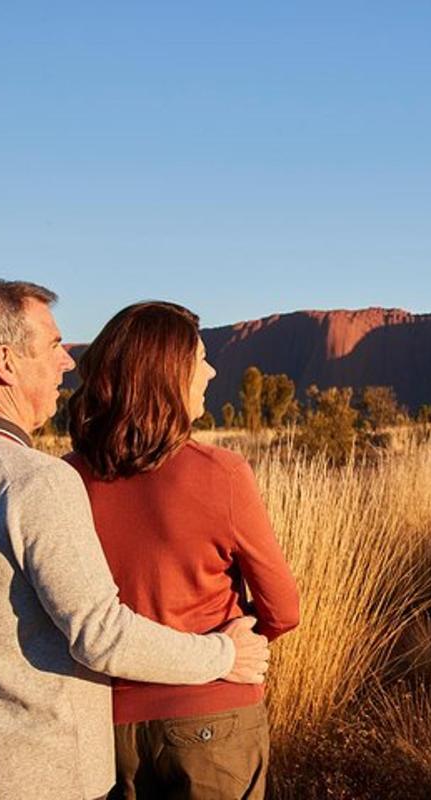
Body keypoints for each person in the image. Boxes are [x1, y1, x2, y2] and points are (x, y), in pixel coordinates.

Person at [0, 278, 271, 800]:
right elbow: (101, 634)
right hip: (44, 777)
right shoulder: (32, 480)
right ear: (6, 363)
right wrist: (223, 656)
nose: (67, 361)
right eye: (52, 345)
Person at [64, 301, 300, 800]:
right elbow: (285, 608)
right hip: (213, 718)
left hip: (109, 729)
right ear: (166, 376)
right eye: (200, 360)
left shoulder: (65, 480)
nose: (212, 372)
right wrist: (240, 642)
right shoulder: (222, 474)